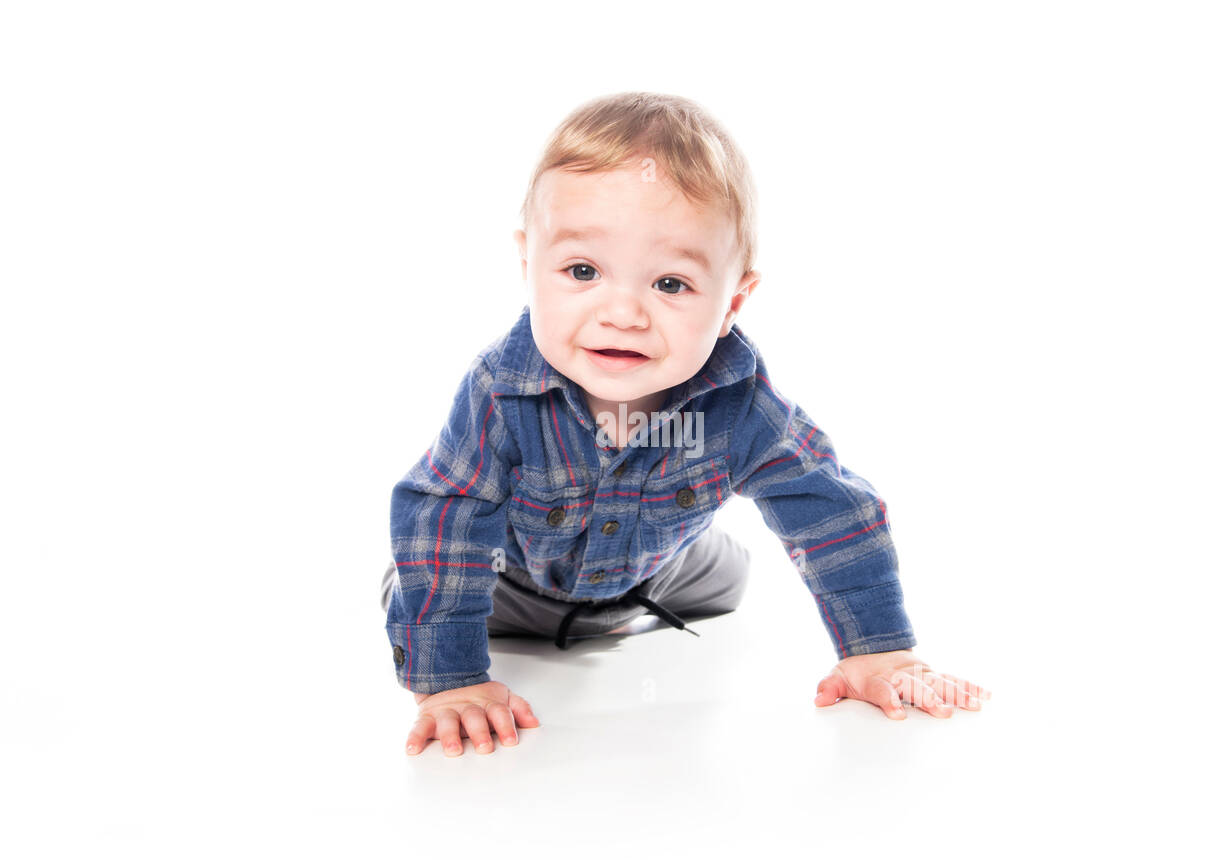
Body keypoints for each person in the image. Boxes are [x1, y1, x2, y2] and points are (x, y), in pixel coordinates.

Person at [382, 91, 991, 757]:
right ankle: (445, 611)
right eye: (582, 270)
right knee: (428, 569)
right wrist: (451, 680)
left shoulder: (740, 405)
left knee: (730, 576)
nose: (623, 312)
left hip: (660, 571)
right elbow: (448, 510)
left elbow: (831, 509)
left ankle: (646, 590)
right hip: (516, 583)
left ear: (733, 301)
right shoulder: (503, 390)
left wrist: (880, 650)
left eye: (670, 284)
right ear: (528, 265)